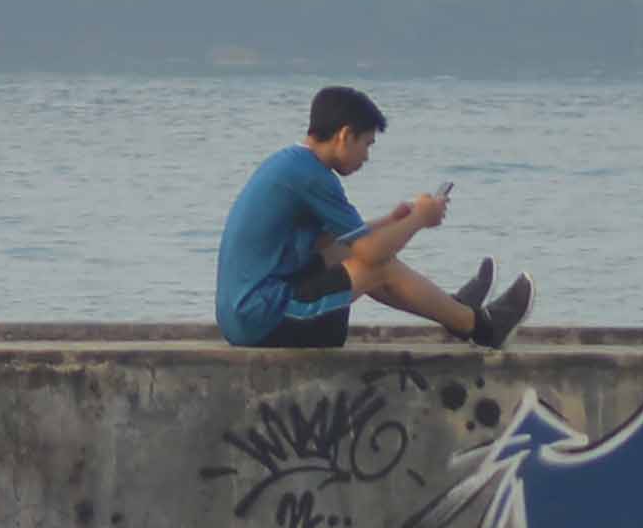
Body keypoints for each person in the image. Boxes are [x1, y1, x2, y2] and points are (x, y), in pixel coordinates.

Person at [215, 83, 532, 348]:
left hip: (243, 317)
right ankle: (480, 326)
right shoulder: (314, 177)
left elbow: (330, 242)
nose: (366, 156)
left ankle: (452, 309)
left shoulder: (293, 164)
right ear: (344, 135)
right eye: (367, 144)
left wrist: (390, 221)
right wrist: (419, 219)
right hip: (265, 321)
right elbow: (371, 253)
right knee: (379, 267)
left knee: (342, 253)